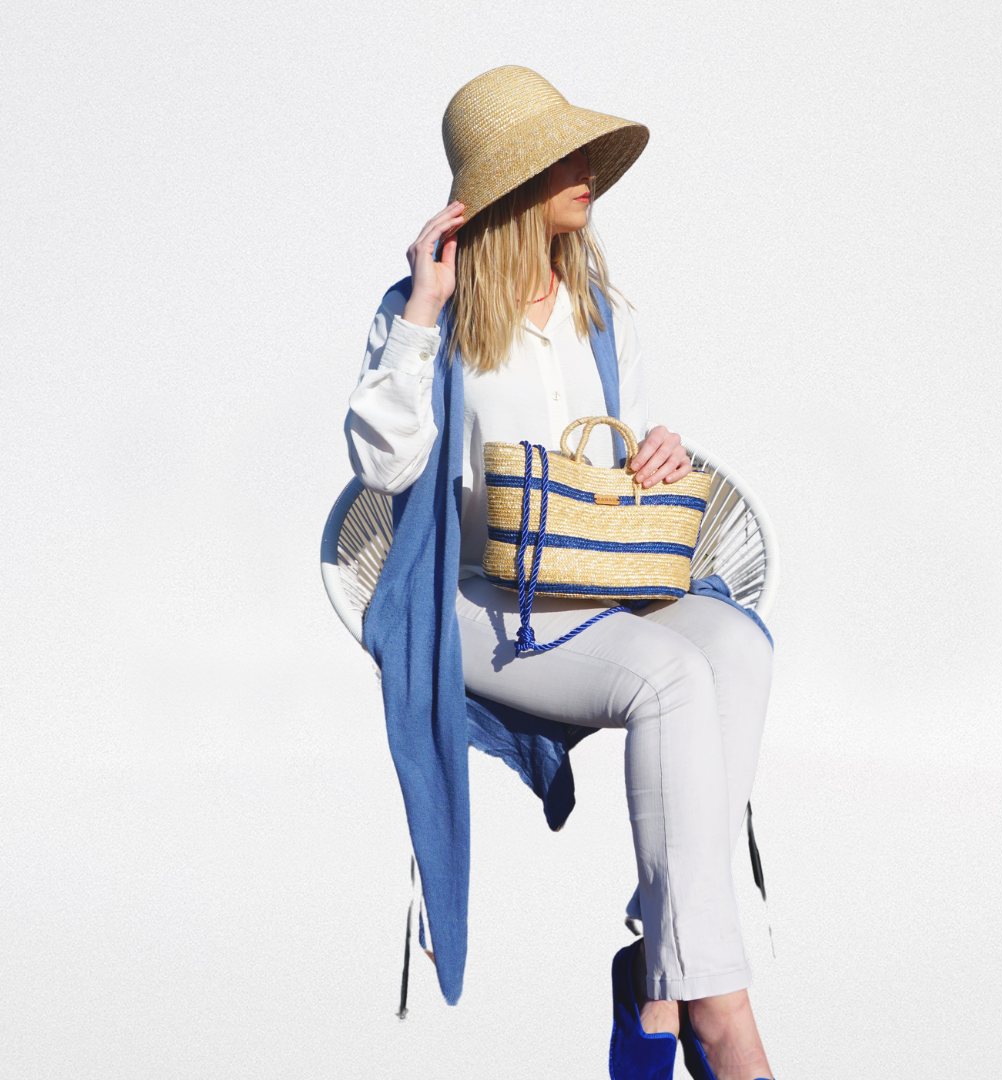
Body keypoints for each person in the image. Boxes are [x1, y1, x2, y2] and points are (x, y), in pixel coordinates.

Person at [345, 65, 775, 1080]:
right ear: (507, 182)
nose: (585, 168)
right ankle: (721, 1022)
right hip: (476, 604)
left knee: (736, 646)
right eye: (558, 155)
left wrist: (651, 453)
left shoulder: (592, 307)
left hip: (593, 579)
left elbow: (599, 468)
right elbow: (382, 466)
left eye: (581, 149)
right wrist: (421, 310)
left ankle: (662, 978)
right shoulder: (430, 314)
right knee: (669, 677)